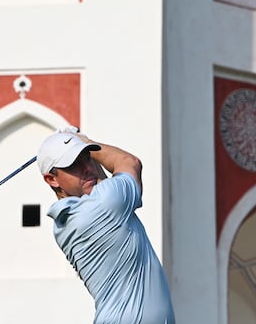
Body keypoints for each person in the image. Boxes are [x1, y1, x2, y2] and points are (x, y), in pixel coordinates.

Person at [36, 127, 175, 324]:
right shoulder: (102, 207)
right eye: (74, 165)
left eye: (87, 158)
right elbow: (130, 163)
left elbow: (100, 187)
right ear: (51, 179)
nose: (87, 167)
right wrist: (85, 140)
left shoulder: (69, 219)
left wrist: (79, 145)